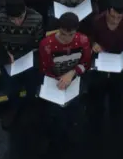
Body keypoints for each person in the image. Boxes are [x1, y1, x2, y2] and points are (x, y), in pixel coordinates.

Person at [38, 13, 92, 150]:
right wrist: (58, 81)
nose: (67, 39)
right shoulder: (46, 44)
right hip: (54, 82)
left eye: (71, 34)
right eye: (63, 34)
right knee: (53, 112)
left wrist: (72, 73)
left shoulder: (83, 41)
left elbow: (85, 63)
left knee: (74, 109)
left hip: (74, 81)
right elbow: (45, 69)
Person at [0, 0, 44, 128]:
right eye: (13, 20)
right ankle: (13, 109)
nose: (17, 22)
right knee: (10, 87)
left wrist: (25, 54)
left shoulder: (36, 19)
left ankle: (31, 108)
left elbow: (39, 41)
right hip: (8, 56)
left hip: (28, 55)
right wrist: (4, 53)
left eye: (20, 18)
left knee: (32, 85)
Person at [88, 0, 123, 125]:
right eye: (112, 16)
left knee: (117, 92)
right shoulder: (97, 21)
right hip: (101, 59)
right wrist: (94, 44)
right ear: (107, 12)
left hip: (119, 61)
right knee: (97, 91)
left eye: (119, 17)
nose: (115, 20)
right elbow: (90, 37)